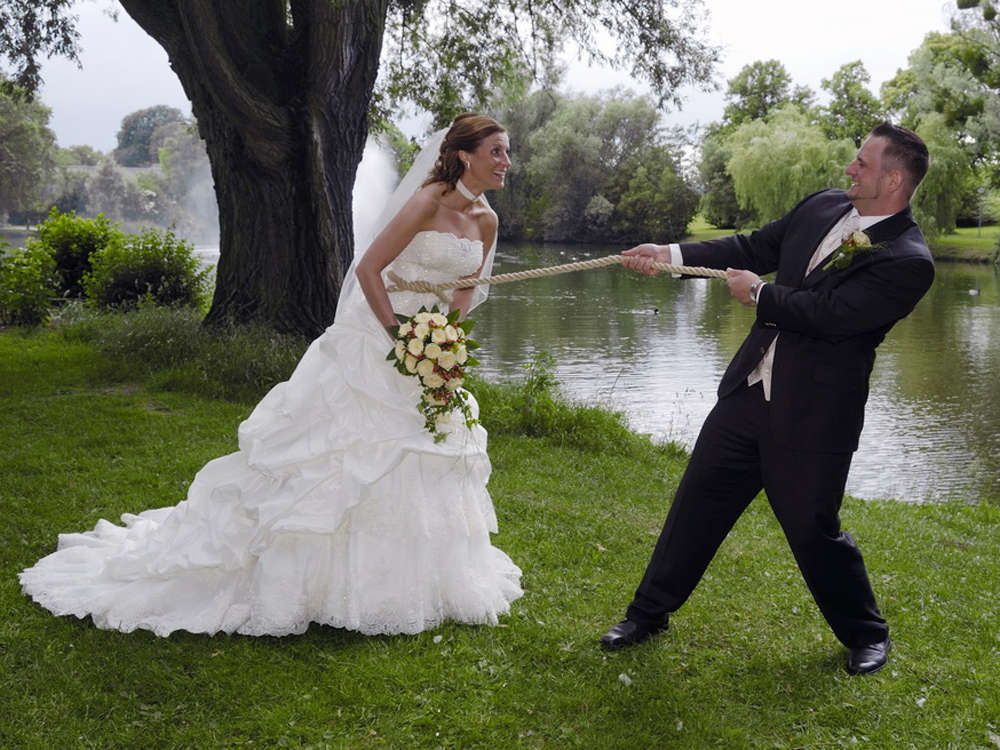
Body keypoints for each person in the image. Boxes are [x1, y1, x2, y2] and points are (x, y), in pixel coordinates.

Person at [20, 113, 522, 637]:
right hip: (380, 333)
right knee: (341, 453)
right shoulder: (427, 201)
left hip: (431, 349)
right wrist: (400, 336)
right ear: (465, 154)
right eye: (498, 152)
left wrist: (445, 340)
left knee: (423, 451)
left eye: (507, 153)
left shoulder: (486, 221)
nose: (506, 163)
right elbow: (370, 270)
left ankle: (411, 579)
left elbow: (467, 287)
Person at [601, 122, 934, 675]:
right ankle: (647, 614)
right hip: (747, 394)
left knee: (812, 529)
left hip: (815, 417)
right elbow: (752, 246)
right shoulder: (823, 206)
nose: (850, 169)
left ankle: (866, 634)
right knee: (696, 506)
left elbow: (833, 319)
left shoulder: (908, 258)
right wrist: (670, 253)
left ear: (894, 178)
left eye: (863, 163)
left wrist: (760, 293)